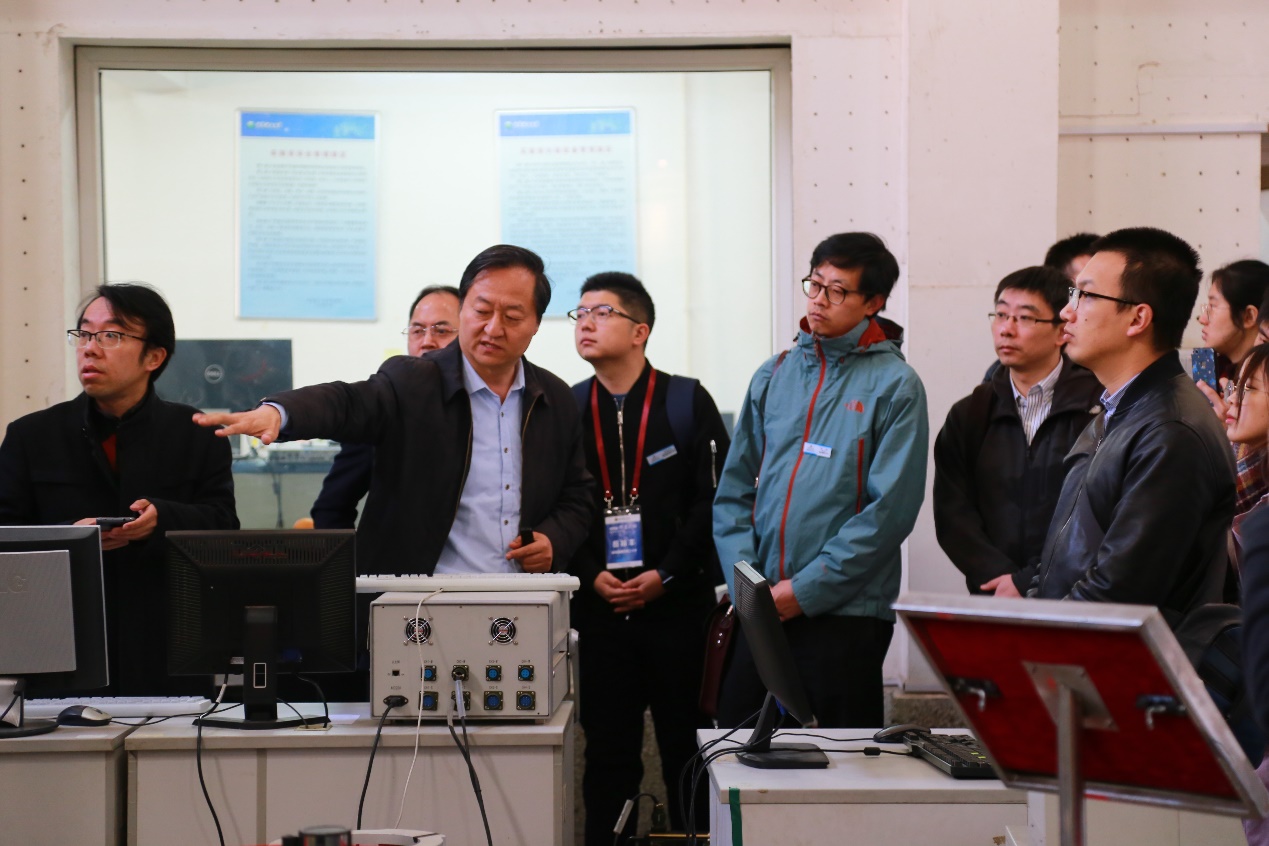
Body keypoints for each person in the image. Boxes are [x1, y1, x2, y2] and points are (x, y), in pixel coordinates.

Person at [195, 244, 593, 577]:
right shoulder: (413, 383)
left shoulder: (554, 398)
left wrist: (554, 539)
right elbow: (346, 402)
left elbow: (578, 496)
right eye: (482, 310)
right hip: (420, 598)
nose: (492, 328)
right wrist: (281, 413)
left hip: (522, 597)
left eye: (512, 317)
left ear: (536, 323)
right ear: (464, 310)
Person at [713, 232, 928, 729]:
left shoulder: (896, 386)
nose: (819, 300)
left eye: (837, 291)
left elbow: (889, 513)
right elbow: (733, 493)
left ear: (873, 303)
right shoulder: (774, 374)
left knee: (837, 759)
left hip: (846, 614)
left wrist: (805, 591)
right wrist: (750, 589)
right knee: (735, 747)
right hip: (761, 609)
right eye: (814, 284)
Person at [0, 283, 239, 694]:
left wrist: (161, 520)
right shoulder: (31, 435)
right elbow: (6, 537)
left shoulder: (196, 433)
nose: (90, 349)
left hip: (165, 644)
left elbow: (224, 530)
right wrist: (70, 536)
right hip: (60, 641)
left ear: (154, 357)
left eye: (110, 335)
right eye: (83, 334)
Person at [566, 272, 730, 845]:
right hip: (599, 613)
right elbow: (556, 505)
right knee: (608, 755)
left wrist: (668, 573)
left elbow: (715, 500)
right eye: (580, 313)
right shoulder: (565, 407)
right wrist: (590, 574)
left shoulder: (685, 400)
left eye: (601, 312)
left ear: (640, 331)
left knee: (689, 748)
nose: (585, 323)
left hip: (677, 608)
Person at [1030, 227, 1235, 613]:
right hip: (1068, 639)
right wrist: (1032, 616)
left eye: (1086, 295)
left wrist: (1039, 632)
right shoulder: (1115, 411)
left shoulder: (1171, 431)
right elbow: (1058, 556)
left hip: (1121, 649)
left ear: (1138, 318)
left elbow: (1118, 592)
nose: (1067, 311)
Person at [934, 266, 1103, 597]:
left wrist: (1028, 580)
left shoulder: (1096, 409)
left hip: (1072, 595)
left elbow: (1094, 514)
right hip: (994, 595)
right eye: (1000, 315)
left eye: (1025, 318)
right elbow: (953, 512)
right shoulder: (971, 413)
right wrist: (999, 578)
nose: (1006, 329)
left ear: (1061, 330)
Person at [310, 285, 461, 529]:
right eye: (417, 331)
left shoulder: (494, 404)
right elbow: (331, 510)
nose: (427, 342)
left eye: (441, 331)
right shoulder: (383, 411)